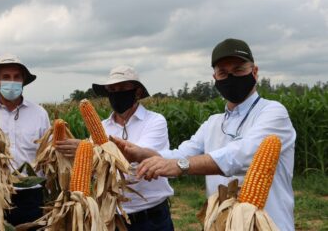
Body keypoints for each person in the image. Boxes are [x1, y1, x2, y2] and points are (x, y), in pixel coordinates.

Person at [112, 39, 296, 231]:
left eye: (239, 69)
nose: (231, 77)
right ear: (215, 78)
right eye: (223, 72)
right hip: (223, 224)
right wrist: (142, 154)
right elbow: (180, 155)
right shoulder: (213, 123)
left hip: (268, 224)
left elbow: (242, 155)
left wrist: (182, 165)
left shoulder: (273, 112)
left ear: (254, 72)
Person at [93, 65, 175, 231]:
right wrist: (81, 152)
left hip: (151, 217)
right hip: (114, 217)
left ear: (137, 92)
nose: (116, 93)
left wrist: (95, 153)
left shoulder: (155, 121)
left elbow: (137, 161)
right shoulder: (101, 127)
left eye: (122, 88)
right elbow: (95, 168)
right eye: (112, 89)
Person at [0, 53, 50, 226]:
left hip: (32, 195)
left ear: (23, 80)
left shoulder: (39, 113)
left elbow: (48, 155)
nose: (11, 81)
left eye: (16, 77)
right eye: (6, 77)